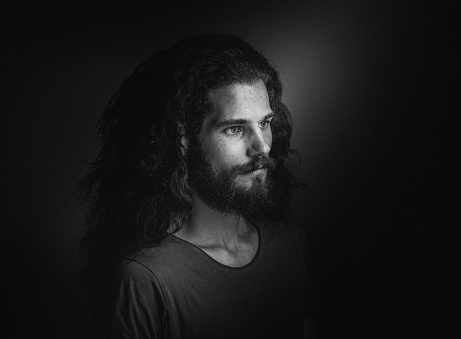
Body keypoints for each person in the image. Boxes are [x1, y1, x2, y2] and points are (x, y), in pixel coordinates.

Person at [79, 34, 318, 338]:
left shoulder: (289, 243)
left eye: (265, 123)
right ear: (183, 139)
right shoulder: (144, 281)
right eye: (234, 128)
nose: (261, 147)